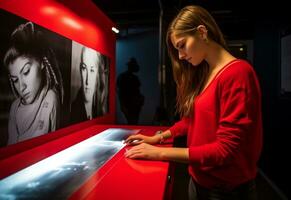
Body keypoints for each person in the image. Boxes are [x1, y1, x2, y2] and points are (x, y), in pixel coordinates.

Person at [125, 5, 262, 200]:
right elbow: (193, 120)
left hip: (224, 190)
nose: (180, 56)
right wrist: (159, 137)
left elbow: (225, 150)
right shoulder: (208, 73)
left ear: (202, 32)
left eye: (182, 45)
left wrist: (159, 154)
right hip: (199, 180)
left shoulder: (238, 74)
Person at [3, 22, 63, 145]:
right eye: (15, 80)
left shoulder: (50, 98)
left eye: (26, 72)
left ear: (41, 62)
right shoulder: (14, 107)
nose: (21, 86)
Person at [71, 46, 108, 123]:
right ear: (80, 70)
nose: (87, 80)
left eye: (92, 70)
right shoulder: (74, 111)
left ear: (98, 74)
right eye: (84, 68)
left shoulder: (98, 106)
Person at [117, 57, 144, 125]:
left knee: (133, 122)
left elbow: (137, 91)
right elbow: (120, 91)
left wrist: (140, 100)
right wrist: (122, 105)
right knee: (131, 122)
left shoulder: (133, 78)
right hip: (129, 104)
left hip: (134, 104)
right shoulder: (123, 77)